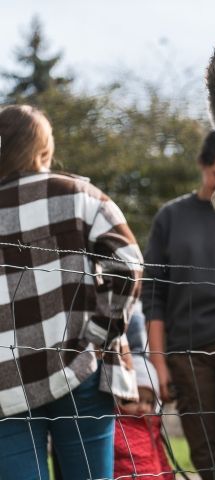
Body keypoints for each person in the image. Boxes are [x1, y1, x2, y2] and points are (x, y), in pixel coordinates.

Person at [0, 105, 143, 480]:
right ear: (43, 151)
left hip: (4, 387)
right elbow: (128, 264)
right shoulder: (79, 194)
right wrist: (99, 334)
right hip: (78, 367)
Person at [142, 130, 215, 480]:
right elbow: (153, 296)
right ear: (202, 166)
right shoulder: (171, 218)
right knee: (206, 454)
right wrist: (159, 365)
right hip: (186, 349)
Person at [114, 353, 174, 480]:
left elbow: (161, 458)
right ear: (122, 396)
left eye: (149, 402)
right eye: (137, 400)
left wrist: (169, 477)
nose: (143, 407)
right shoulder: (115, 425)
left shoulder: (152, 426)